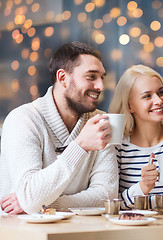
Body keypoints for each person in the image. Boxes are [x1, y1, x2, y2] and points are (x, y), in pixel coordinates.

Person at [0, 41, 118, 214]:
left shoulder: (99, 122)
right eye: (91, 77)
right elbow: (30, 197)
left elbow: (106, 196)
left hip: (79, 232)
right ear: (62, 78)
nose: (100, 86)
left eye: (102, 78)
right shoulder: (23, 120)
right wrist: (80, 147)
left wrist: (47, 206)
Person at [108, 64, 163, 211]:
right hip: (127, 230)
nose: (159, 101)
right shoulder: (117, 144)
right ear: (130, 106)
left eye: (161, 92)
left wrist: (134, 200)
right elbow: (111, 203)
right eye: (147, 96)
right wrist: (143, 187)